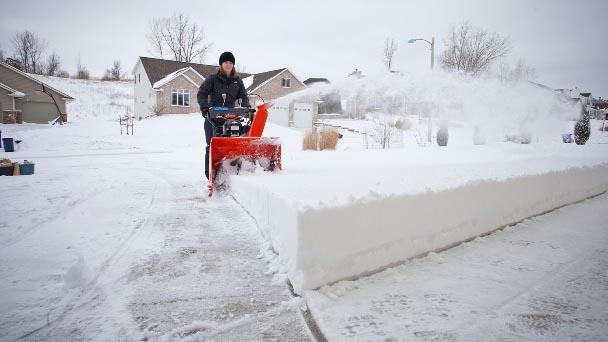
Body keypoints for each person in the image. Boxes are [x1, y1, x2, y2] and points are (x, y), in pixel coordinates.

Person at [197, 51, 250, 180]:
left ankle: (233, 170)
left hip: (231, 118)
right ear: (221, 64)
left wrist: (246, 109)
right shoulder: (213, 79)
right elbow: (202, 93)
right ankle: (211, 174)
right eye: (226, 62)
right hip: (213, 118)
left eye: (231, 62)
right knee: (212, 145)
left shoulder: (237, 81)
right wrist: (205, 109)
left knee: (233, 145)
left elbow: (243, 96)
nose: (228, 64)